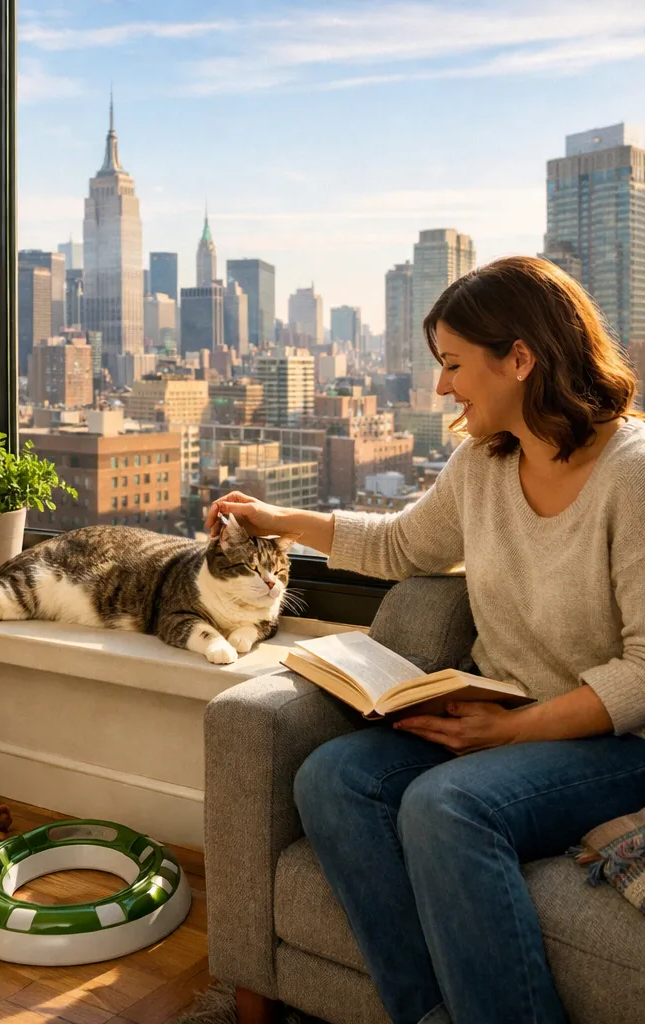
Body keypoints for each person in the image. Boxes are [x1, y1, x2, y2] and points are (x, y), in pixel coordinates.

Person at [205, 255, 645, 1024]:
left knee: (446, 806)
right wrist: (281, 522)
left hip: (616, 742)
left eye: (452, 365)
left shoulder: (632, 476)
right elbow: (401, 545)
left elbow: (643, 674)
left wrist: (510, 734)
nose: (441, 387)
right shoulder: (484, 460)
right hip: (503, 707)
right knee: (332, 779)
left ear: (520, 358)